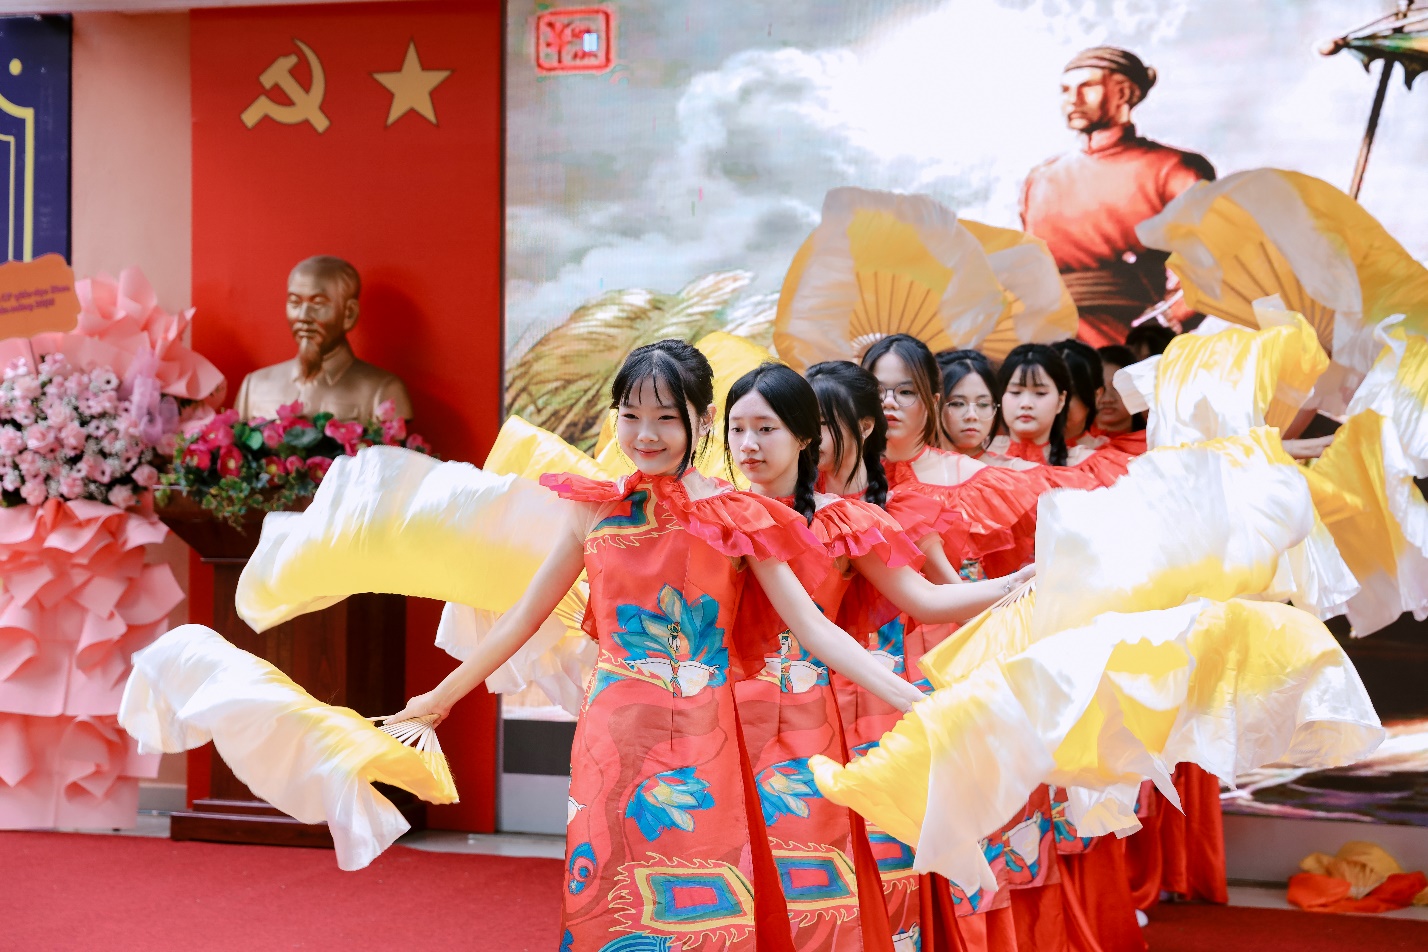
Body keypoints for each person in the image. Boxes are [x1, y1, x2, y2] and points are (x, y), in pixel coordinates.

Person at [389, 339, 922, 951]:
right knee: (611, 900)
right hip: (611, 739)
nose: (646, 434)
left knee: (706, 910)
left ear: (702, 420)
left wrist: (913, 700)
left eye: (666, 417)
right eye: (631, 415)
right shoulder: (593, 510)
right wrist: (438, 698)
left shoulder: (739, 515)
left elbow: (815, 629)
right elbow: (523, 617)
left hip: (707, 738)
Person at [726, 363, 1030, 952]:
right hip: (725, 715)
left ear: (803, 436)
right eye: (738, 429)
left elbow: (926, 599)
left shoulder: (843, 521)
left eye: (765, 428)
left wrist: (1013, 584)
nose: (749, 444)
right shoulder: (717, 515)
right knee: (735, 881)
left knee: (814, 879)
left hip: (809, 719)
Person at [1020, 47, 1215, 347]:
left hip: (1132, 342)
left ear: (1123, 93)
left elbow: (1208, 266)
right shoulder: (1041, 178)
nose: (1073, 100)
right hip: (1048, 341)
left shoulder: (1174, 169)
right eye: (1065, 90)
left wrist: (1161, 328)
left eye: (1087, 87)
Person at [234, 255, 414, 422]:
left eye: (318, 303)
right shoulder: (255, 386)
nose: (303, 316)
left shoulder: (383, 391)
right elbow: (236, 442)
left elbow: (388, 446)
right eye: (295, 302)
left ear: (349, 313)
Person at [936, 350, 1002, 459]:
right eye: (958, 403)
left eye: (983, 404)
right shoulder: (910, 465)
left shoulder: (1014, 468)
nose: (972, 415)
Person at [1050, 340, 1104, 446]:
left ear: (1097, 396)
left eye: (1071, 393)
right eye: (1043, 392)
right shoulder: (1015, 453)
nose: (1059, 403)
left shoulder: (1111, 455)